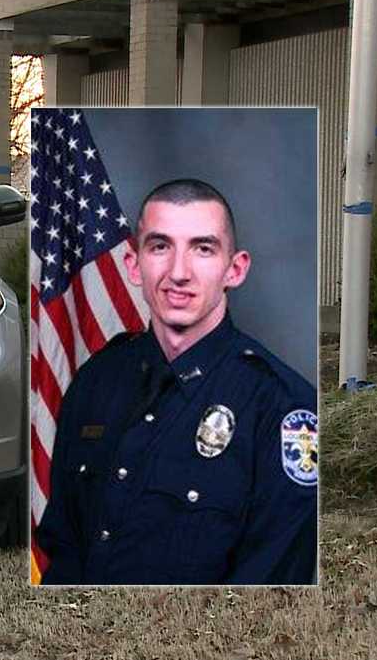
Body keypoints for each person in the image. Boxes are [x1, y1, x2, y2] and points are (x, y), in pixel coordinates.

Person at [36, 178, 317, 585]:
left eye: (203, 248)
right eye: (160, 246)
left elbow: (271, 586)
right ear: (134, 264)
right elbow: (63, 548)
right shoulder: (96, 381)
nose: (178, 273)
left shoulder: (282, 408)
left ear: (234, 269)